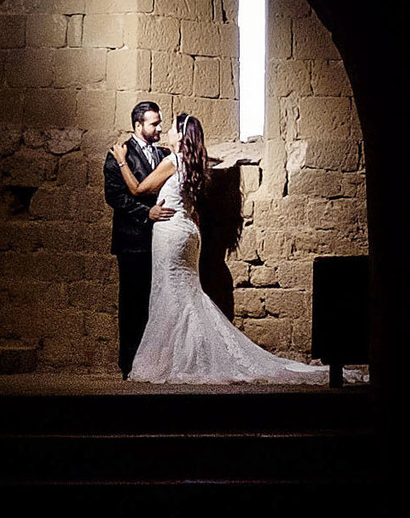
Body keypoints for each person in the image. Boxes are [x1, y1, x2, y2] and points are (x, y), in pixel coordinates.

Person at [107, 111, 332, 384]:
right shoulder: (194, 162)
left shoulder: (173, 159)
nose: (166, 130)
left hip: (172, 234)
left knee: (171, 295)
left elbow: (139, 190)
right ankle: (189, 356)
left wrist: (121, 162)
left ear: (181, 135)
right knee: (186, 296)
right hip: (189, 233)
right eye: (158, 124)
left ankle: (182, 361)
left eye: (172, 128)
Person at [104, 101, 177, 376]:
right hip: (133, 242)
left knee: (157, 302)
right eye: (154, 124)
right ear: (138, 126)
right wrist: (149, 213)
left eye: (159, 123)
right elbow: (115, 197)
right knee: (133, 303)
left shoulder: (164, 154)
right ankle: (130, 365)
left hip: (162, 241)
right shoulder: (117, 155)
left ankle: (155, 365)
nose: (159, 128)